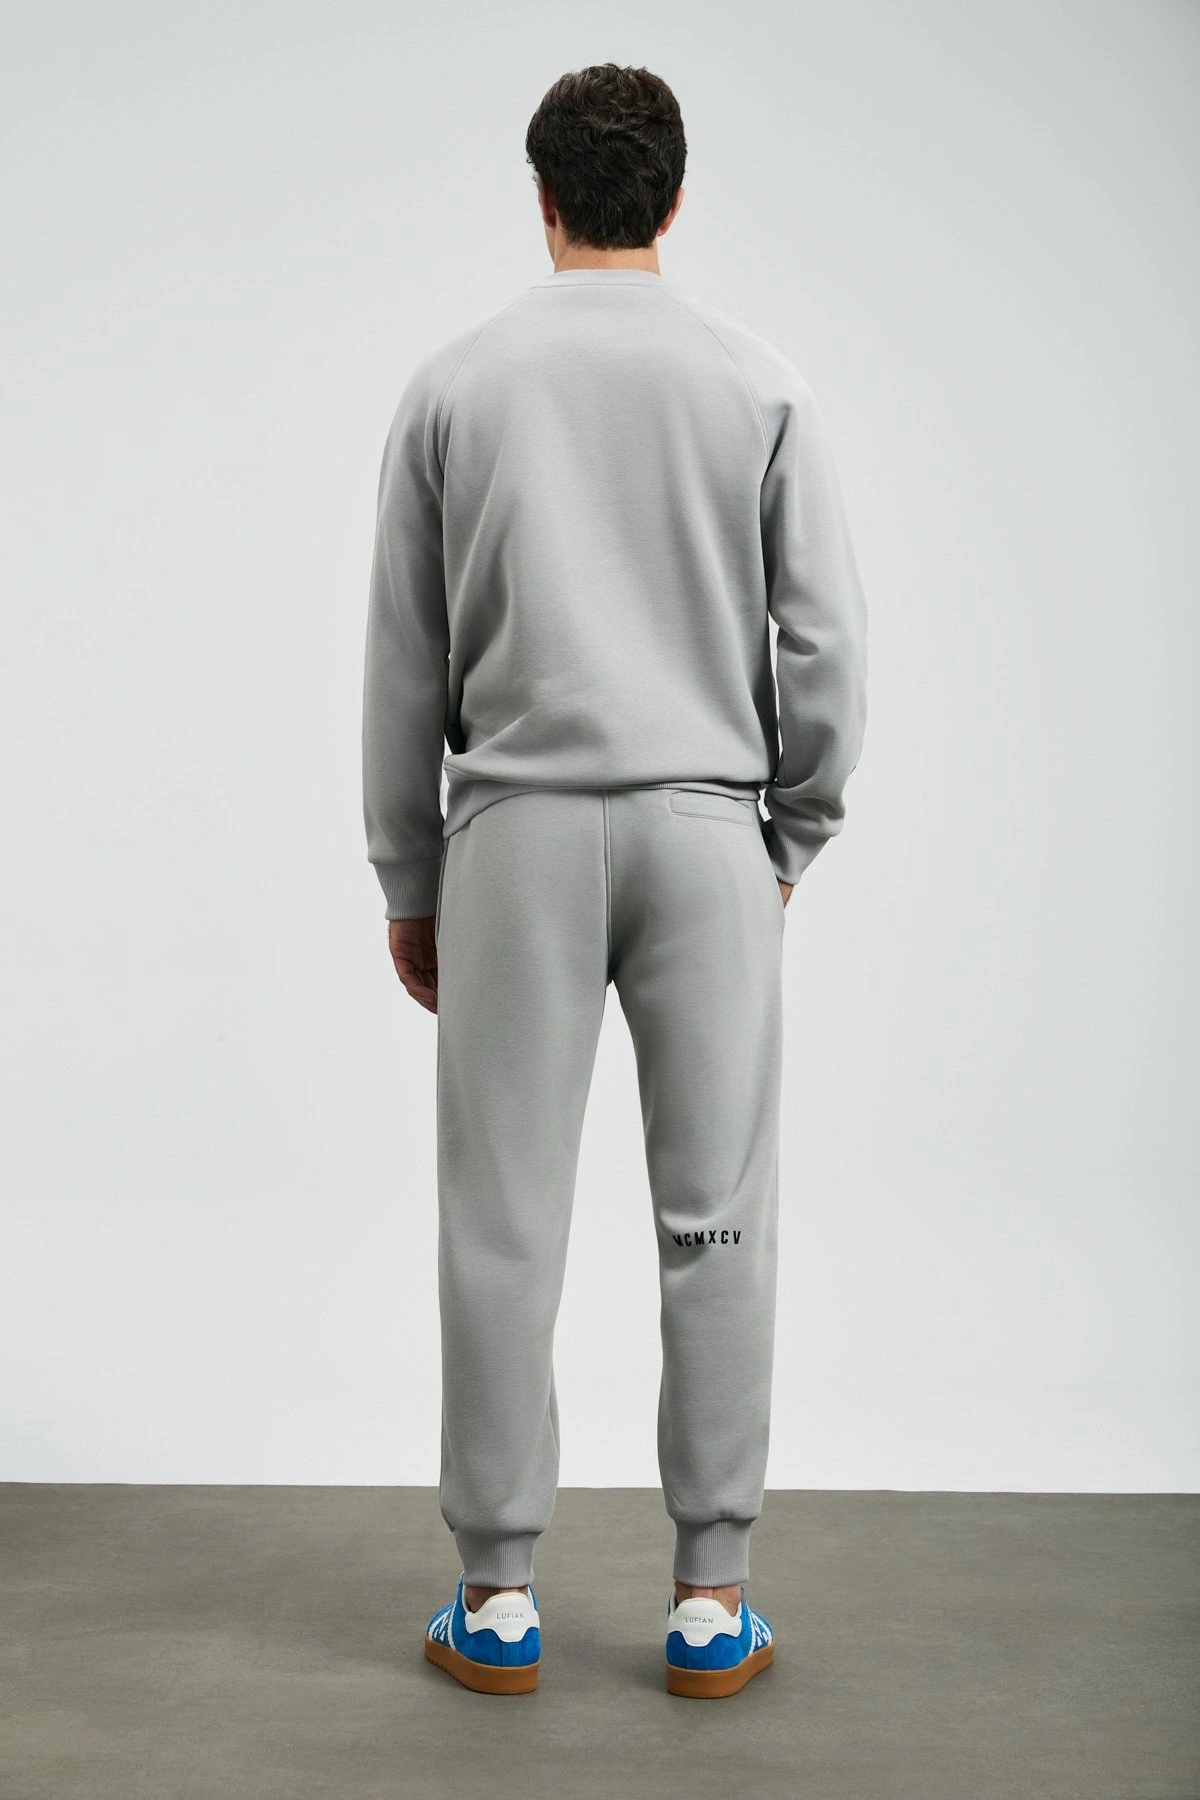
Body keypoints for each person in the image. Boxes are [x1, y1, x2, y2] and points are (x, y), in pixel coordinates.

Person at [361, 61, 868, 1699]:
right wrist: (789, 828)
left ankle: (497, 1598)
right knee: (717, 1218)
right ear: (675, 193)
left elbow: (405, 660)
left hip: (512, 833)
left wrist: (410, 874)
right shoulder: (757, 383)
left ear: (542, 197)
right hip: (706, 832)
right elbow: (825, 642)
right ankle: (711, 1598)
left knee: (502, 1223)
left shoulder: (455, 387)